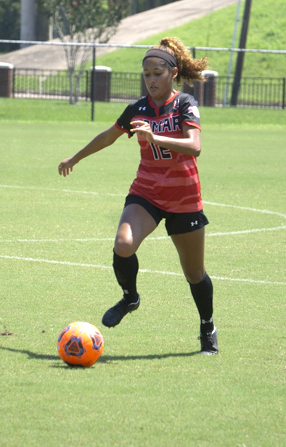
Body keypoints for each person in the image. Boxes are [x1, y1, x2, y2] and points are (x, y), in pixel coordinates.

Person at [58, 37, 218, 354]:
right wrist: (75, 158)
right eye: (146, 74)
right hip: (146, 192)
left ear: (172, 74)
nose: (151, 80)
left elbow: (195, 146)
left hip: (184, 198)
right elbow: (108, 136)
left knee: (194, 274)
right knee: (123, 244)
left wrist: (154, 135)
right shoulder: (138, 108)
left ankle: (207, 327)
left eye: (157, 73)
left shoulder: (185, 104)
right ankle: (130, 297)